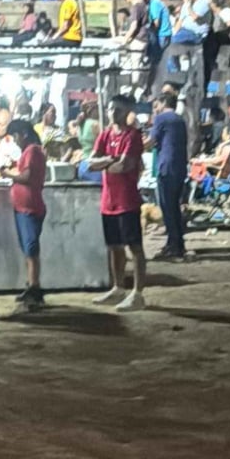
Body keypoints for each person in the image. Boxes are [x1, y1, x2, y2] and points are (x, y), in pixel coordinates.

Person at [88, 96, 146, 312]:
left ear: (128, 112)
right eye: (111, 108)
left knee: (135, 247)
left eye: (119, 109)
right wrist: (111, 160)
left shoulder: (133, 136)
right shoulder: (105, 135)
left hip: (127, 200)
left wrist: (104, 162)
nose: (113, 113)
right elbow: (90, 163)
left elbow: (125, 166)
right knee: (114, 246)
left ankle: (138, 293)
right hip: (108, 201)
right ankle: (118, 287)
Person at [5, 118, 47, 311]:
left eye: (15, 136)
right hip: (23, 207)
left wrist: (8, 174)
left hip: (30, 207)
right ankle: (31, 285)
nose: (15, 141)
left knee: (31, 249)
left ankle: (35, 289)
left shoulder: (32, 151)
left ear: (23, 134)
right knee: (27, 249)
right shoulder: (29, 151)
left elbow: (27, 177)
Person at [147, 92, 190, 259]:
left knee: (167, 207)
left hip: (166, 166)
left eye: (156, 105)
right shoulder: (179, 119)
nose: (155, 108)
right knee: (174, 207)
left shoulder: (161, 119)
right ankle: (177, 243)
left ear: (164, 102)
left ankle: (174, 246)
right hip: (179, 166)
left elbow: (151, 141)